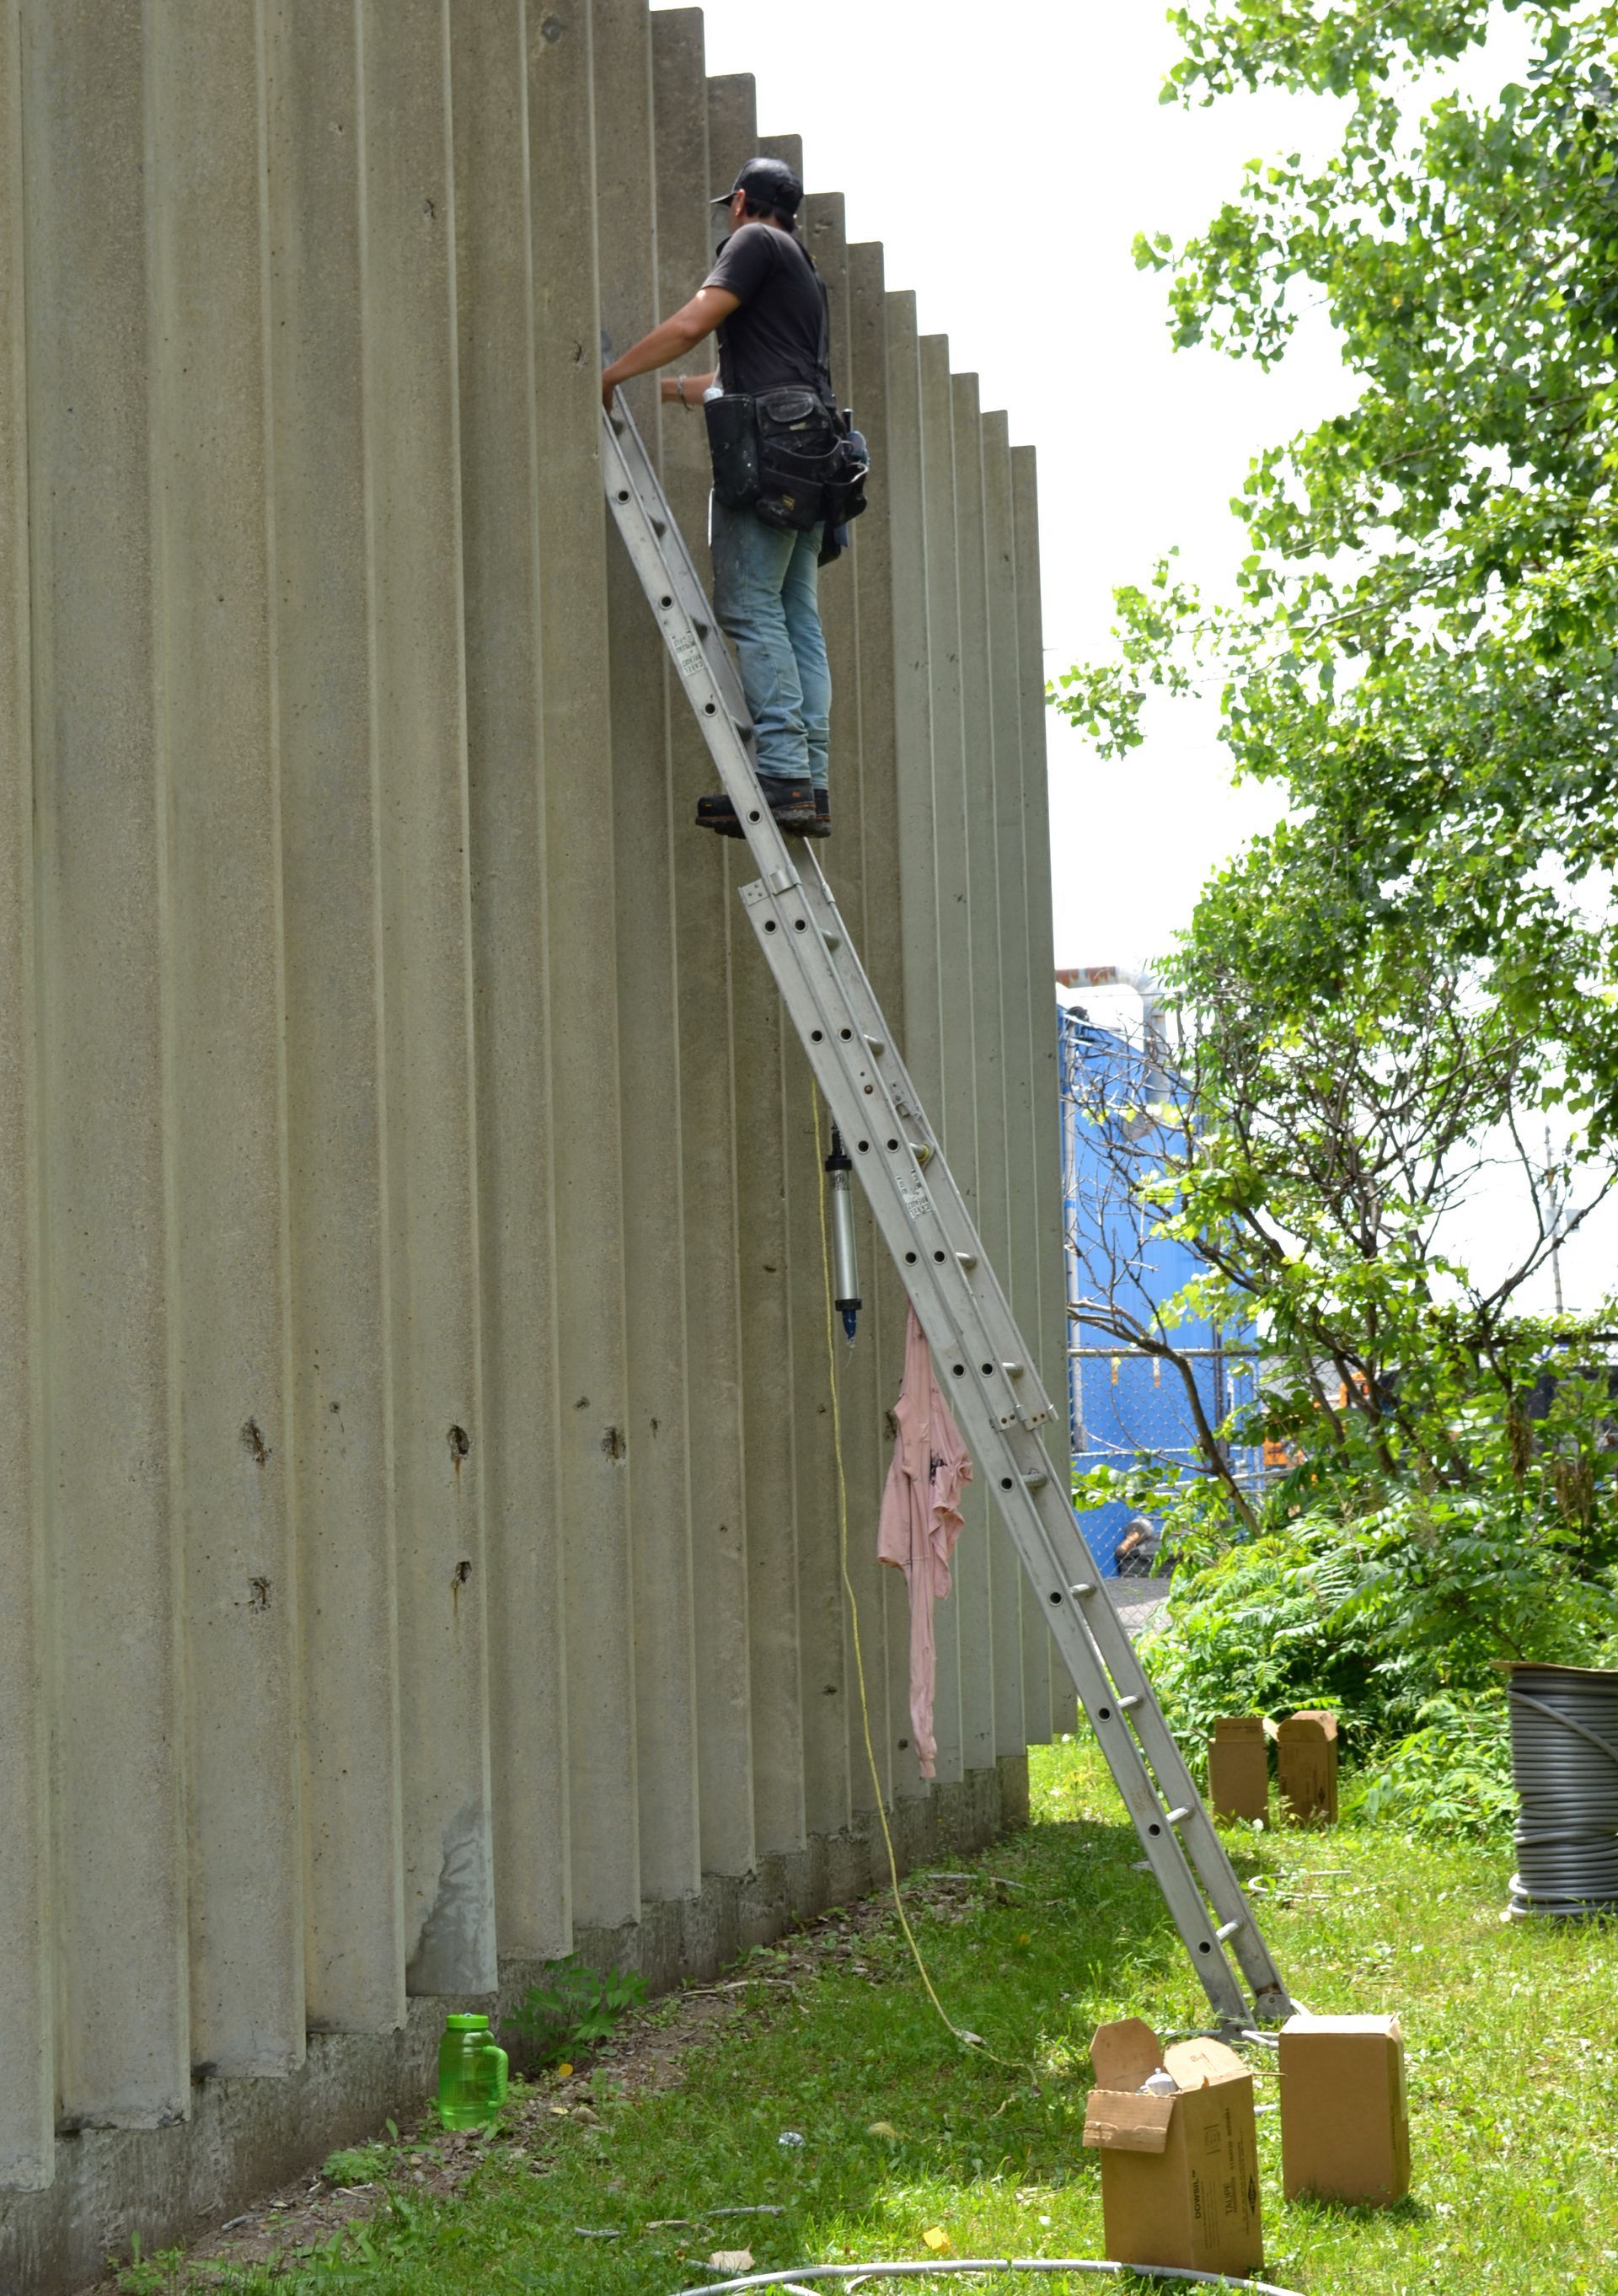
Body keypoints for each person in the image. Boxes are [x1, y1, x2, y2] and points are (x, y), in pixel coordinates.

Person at [601, 156, 844, 840]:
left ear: (741, 202)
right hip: (812, 456)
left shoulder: (752, 243)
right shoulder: (802, 265)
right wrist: (659, 389)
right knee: (796, 615)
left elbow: (691, 325)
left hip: (772, 453)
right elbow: (738, 372)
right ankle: (809, 783)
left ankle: (782, 775)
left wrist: (608, 374)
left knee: (750, 607)